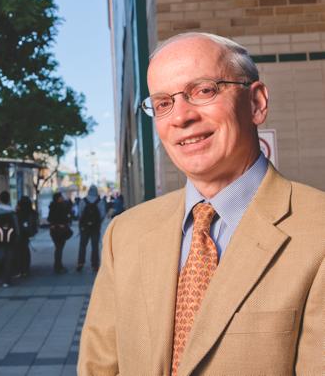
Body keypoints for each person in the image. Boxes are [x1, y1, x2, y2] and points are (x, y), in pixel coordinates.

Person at [78, 32, 325, 376]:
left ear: (256, 103)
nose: (181, 117)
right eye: (163, 103)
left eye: (204, 90)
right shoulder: (125, 234)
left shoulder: (318, 233)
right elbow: (99, 367)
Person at [76, 185, 106, 272]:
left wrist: (83, 223)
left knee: (82, 245)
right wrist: (98, 222)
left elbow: (80, 213)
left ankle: (80, 263)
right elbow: (102, 214)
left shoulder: (83, 201)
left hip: (84, 227)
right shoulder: (99, 201)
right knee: (95, 246)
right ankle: (95, 265)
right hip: (95, 227)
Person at [48, 192, 72, 274]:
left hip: (54, 230)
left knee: (58, 248)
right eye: (61, 197)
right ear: (58, 198)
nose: (62, 198)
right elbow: (66, 217)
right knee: (59, 248)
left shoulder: (52, 206)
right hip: (60, 230)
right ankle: (58, 266)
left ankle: (58, 265)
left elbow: (49, 218)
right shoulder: (62, 206)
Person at [15, 196, 37, 277]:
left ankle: (20, 269)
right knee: (25, 252)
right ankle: (25, 269)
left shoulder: (19, 213)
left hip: (19, 235)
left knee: (19, 252)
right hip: (26, 234)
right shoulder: (31, 212)